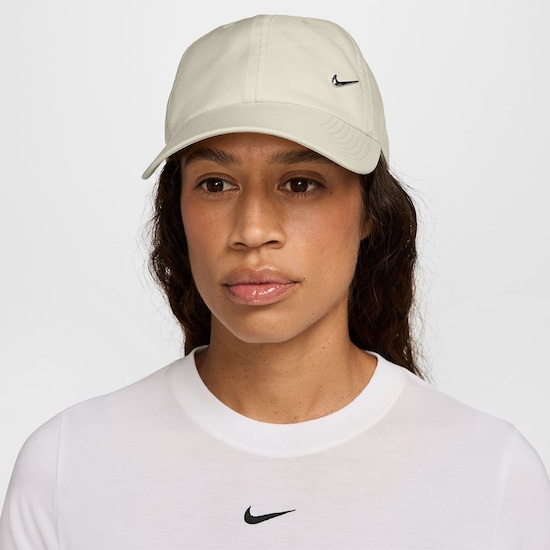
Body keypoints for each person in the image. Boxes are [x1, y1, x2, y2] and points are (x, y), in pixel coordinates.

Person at [1, 13, 549, 549]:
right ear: (177, 211)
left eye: (301, 184)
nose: (253, 230)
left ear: (369, 211)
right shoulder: (68, 466)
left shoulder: (491, 475)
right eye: (216, 184)